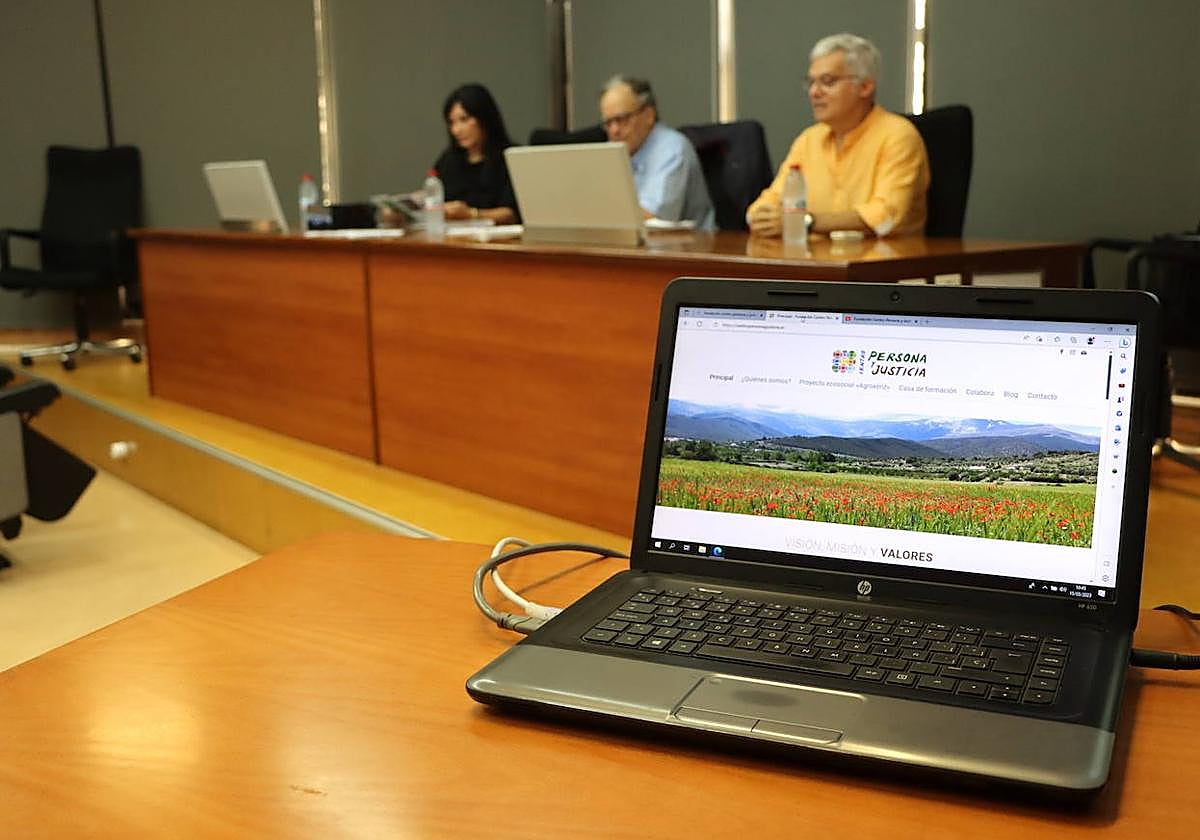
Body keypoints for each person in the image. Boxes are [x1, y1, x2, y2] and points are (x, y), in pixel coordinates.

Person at [747, 33, 929, 238]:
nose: (814, 92)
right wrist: (762, 217)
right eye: (811, 82)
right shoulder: (809, 140)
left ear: (865, 86)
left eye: (827, 81)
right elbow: (765, 205)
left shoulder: (898, 136)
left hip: (883, 263)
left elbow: (885, 218)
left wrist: (804, 221)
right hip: (817, 263)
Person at [599, 75, 715, 230]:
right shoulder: (612, 153)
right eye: (608, 123)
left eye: (622, 119)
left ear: (648, 115)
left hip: (690, 249)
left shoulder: (672, 149)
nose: (614, 130)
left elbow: (655, 220)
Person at [431, 83, 519, 224]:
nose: (456, 130)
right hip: (453, 239)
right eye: (451, 123)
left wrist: (471, 214)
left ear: (484, 119)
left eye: (464, 120)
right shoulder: (448, 160)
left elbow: (512, 214)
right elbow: (435, 197)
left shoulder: (510, 158)